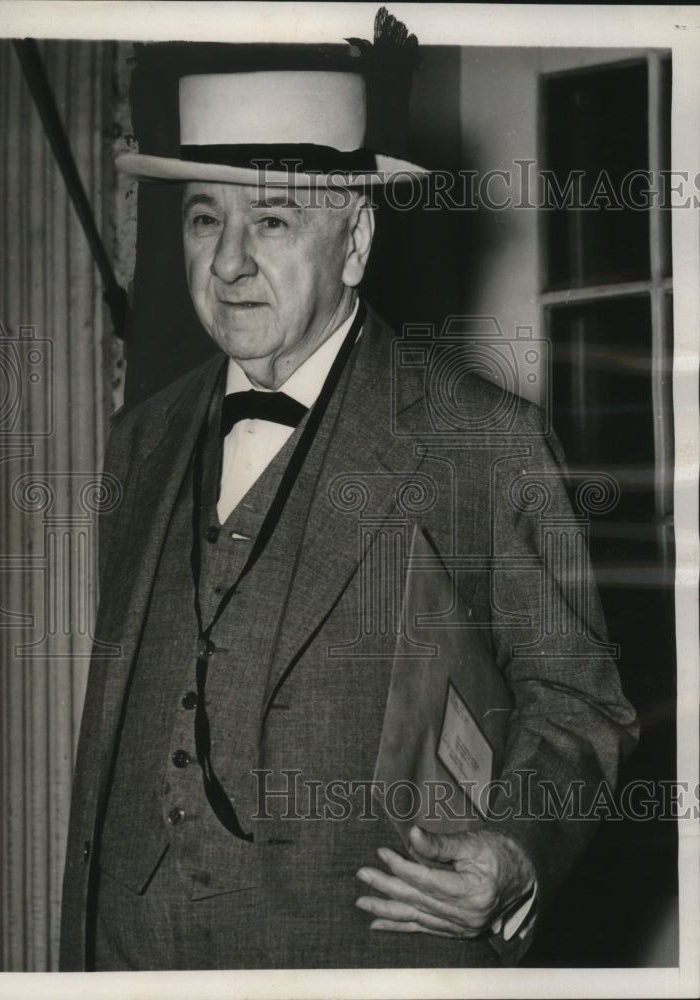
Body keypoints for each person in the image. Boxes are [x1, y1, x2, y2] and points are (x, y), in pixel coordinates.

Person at [60, 26, 638, 972]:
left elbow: (581, 704)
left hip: (356, 959)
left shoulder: (482, 439)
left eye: (274, 221)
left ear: (356, 241)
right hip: (132, 957)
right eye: (205, 218)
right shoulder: (141, 440)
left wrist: (514, 850)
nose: (230, 261)